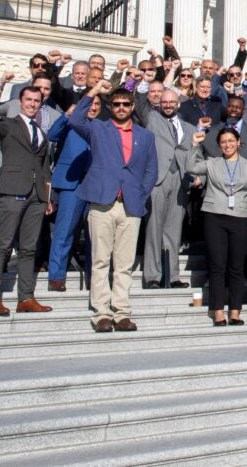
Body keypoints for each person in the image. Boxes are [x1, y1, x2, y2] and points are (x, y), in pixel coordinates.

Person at [69, 82, 158, 332]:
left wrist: (141, 195)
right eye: (116, 104)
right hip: (102, 202)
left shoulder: (145, 135)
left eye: (126, 104)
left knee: (124, 262)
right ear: (110, 106)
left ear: (132, 107)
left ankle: (122, 311)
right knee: (100, 260)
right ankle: (101, 312)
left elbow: (151, 170)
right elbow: (76, 119)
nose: (121, 108)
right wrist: (95, 89)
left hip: (130, 204)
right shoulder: (99, 129)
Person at [0, 77, 54, 316]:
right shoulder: (8, 124)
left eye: (36, 101)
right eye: (28, 100)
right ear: (20, 101)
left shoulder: (41, 131)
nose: (32, 104)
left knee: (29, 249)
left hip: (36, 195)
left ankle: (26, 298)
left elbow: (44, 167)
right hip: (12, 190)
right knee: (3, 245)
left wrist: (47, 197)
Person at [188, 127, 247, 326]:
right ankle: (218, 311)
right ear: (219, 145)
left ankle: (235, 311)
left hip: (238, 218)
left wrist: (245, 209)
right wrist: (195, 145)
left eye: (231, 140)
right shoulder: (213, 163)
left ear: (239, 142)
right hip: (214, 217)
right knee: (217, 266)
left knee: (237, 267)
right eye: (223, 142)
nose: (228, 145)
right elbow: (191, 167)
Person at [136, 89, 197, 289]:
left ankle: (171, 276)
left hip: (180, 181)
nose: (168, 105)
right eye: (165, 102)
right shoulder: (152, 119)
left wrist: (199, 178)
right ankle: (152, 276)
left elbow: (197, 156)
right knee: (154, 228)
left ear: (178, 103)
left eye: (172, 102)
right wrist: (138, 83)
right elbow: (139, 103)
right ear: (159, 104)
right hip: (158, 179)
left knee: (174, 230)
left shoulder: (189, 128)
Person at [45, 94, 98, 293]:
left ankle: (94, 278)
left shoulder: (100, 127)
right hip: (72, 184)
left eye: (97, 106)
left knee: (95, 234)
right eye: (90, 105)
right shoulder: (71, 124)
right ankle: (56, 276)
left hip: (93, 185)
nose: (92, 109)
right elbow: (52, 134)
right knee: (64, 231)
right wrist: (67, 115)